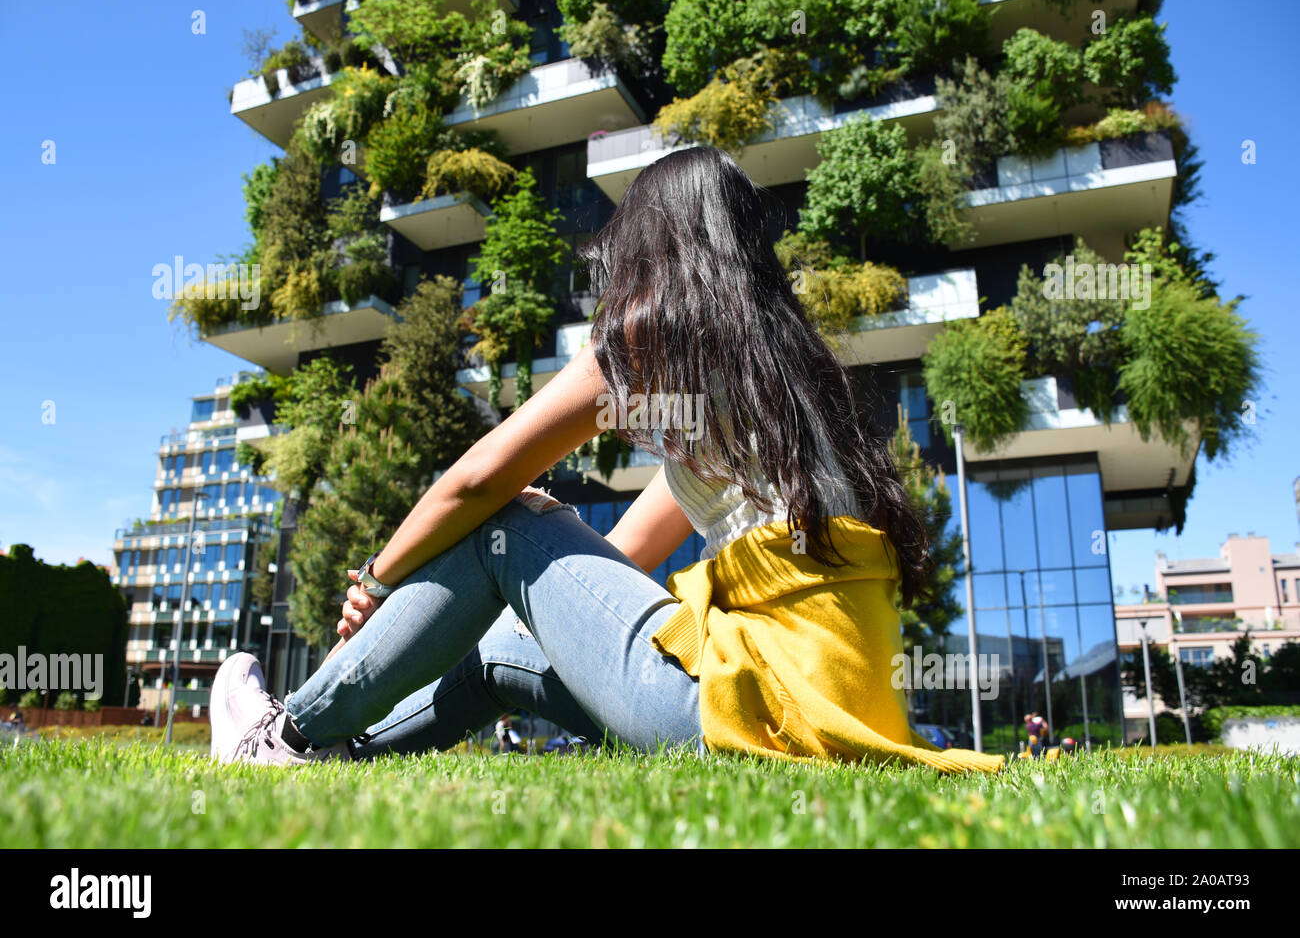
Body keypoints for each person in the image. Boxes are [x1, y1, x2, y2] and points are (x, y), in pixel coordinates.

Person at [207, 146, 1005, 774]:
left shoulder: (653, 335)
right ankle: (327, 754)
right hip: (817, 718)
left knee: (501, 524)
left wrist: (377, 582)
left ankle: (289, 730)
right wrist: (550, 543)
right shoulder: (786, 392)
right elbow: (615, 564)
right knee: (504, 647)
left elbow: (478, 481)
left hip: (752, 717)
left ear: (653, 243)